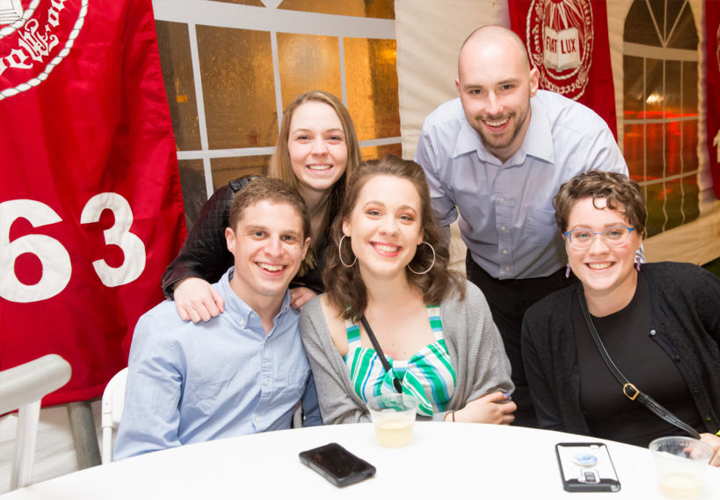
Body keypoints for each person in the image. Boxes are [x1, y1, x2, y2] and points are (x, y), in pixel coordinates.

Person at [415, 25, 628, 426]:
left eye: (507, 87)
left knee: (576, 398)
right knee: (502, 404)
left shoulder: (583, 138)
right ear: (458, 89)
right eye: (476, 92)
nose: (493, 108)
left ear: (533, 82)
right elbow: (431, 230)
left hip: (564, 279)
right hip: (484, 283)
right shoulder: (438, 135)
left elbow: (619, 237)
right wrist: (427, 308)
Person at [521, 171, 720, 476]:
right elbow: (556, 428)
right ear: (566, 242)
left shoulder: (690, 288)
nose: (597, 249)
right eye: (582, 235)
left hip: (712, 470)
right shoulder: (542, 324)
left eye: (614, 232)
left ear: (639, 236)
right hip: (615, 483)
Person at [116, 178, 322, 460]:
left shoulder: (308, 324)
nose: (275, 250)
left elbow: (320, 427)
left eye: (288, 238)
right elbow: (143, 456)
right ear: (231, 240)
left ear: (304, 249)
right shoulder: (168, 329)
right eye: (259, 234)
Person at [299, 155, 515, 425]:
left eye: (405, 217)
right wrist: (452, 422)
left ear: (421, 233)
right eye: (374, 212)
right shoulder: (319, 318)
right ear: (347, 224)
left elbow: (495, 408)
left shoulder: (463, 301)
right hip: (371, 468)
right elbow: (342, 424)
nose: (389, 228)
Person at [162, 90, 362, 321]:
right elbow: (183, 268)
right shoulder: (238, 200)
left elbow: (360, 288)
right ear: (286, 147)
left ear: (349, 148)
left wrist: (322, 296)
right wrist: (187, 283)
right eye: (304, 138)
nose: (319, 150)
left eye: (333, 138)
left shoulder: (354, 216)